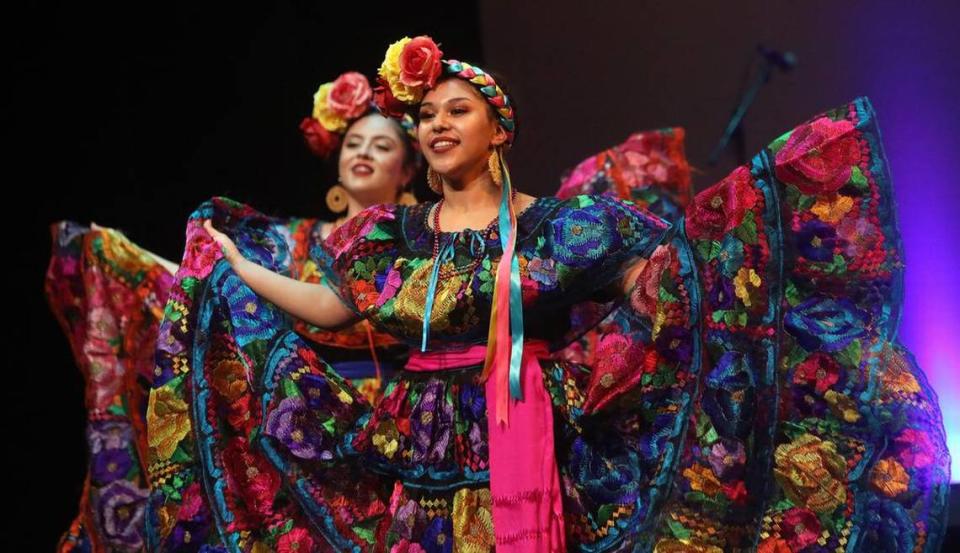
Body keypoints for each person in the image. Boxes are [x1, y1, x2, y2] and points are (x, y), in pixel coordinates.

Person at [156, 36, 948, 552]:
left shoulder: (564, 229)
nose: (436, 125)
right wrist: (237, 266)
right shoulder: (394, 238)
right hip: (422, 440)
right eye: (426, 115)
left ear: (498, 129)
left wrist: (705, 284)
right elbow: (334, 306)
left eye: (455, 112)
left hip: (531, 436)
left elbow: (662, 279)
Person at [49, 70, 420, 552]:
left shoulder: (417, 241)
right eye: (354, 143)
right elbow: (212, 280)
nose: (364, 153)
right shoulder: (287, 240)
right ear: (337, 158)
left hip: (393, 419)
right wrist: (124, 255)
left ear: (409, 168)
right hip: (307, 422)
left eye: (381, 145)